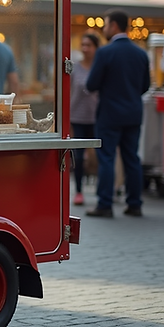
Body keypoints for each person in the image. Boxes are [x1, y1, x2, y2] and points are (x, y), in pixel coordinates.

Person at [86, 9, 150, 218]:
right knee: (132, 158)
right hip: (133, 113)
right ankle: (135, 203)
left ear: (114, 26)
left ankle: (105, 204)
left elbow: (92, 83)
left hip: (109, 114)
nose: (104, 29)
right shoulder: (141, 53)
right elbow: (145, 86)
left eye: (105, 24)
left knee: (107, 158)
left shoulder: (105, 52)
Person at [70, 32, 101, 206]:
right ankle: (79, 191)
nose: (85, 48)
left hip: (96, 117)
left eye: (88, 45)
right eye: (83, 45)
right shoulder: (75, 68)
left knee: (100, 156)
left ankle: (102, 190)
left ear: (96, 48)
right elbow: (68, 93)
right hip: (77, 117)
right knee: (79, 157)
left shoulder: (99, 67)